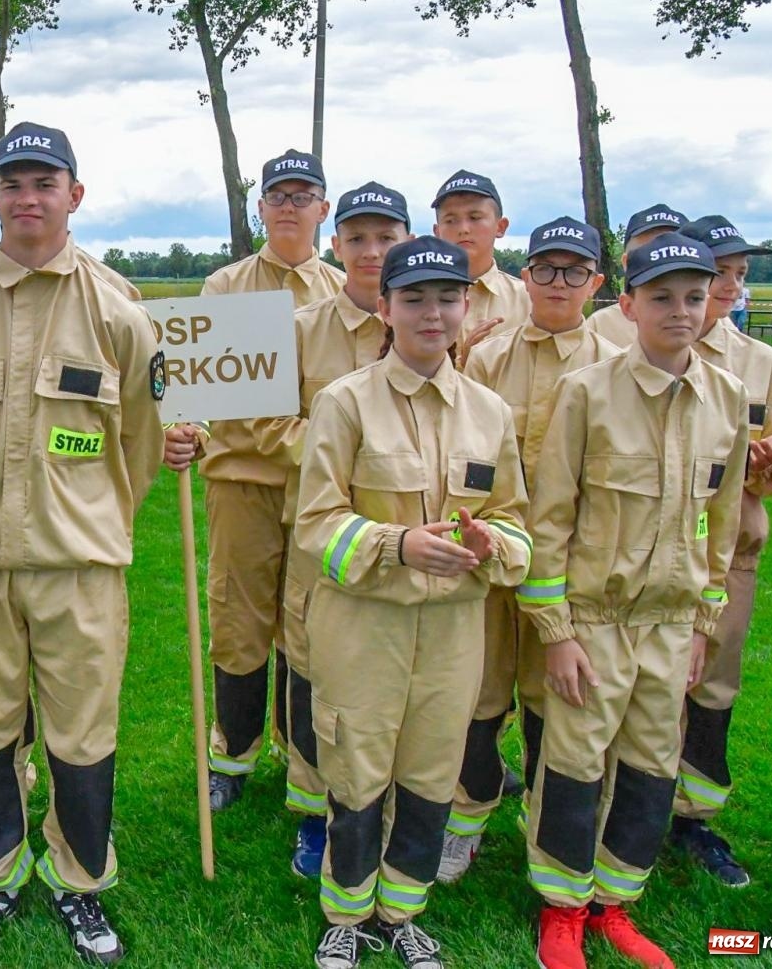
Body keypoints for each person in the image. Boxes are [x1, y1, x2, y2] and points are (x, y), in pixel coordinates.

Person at [0, 122, 163, 964]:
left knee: (82, 733)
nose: (29, 198)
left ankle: (78, 881)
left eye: (45, 183)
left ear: (75, 194)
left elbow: (137, 442)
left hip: (80, 564)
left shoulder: (119, 313)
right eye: (13, 183)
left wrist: (93, 523)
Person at [293, 236, 530, 969]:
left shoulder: (491, 412)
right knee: (357, 769)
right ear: (387, 308)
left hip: (454, 632)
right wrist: (397, 544)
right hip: (363, 627)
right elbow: (314, 523)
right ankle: (347, 910)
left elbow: (517, 519)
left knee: (431, 774)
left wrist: (494, 544)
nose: (433, 313)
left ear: (467, 306)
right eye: (415, 298)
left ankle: (402, 911)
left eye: (447, 297)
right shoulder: (344, 402)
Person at [521, 233, 748, 969]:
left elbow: (723, 522)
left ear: (714, 299)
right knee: (576, 765)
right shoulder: (587, 393)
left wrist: (703, 627)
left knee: (653, 766)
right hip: (595, 621)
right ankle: (561, 908)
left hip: (672, 623)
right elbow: (549, 519)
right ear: (627, 305)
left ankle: (615, 905)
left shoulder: (725, 401)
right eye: (661, 297)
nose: (680, 312)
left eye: (694, 295)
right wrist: (556, 632)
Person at [439, 217, 621, 884]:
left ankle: (549, 826)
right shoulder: (488, 355)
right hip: (491, 556)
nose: (557, 283)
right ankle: (465, 821)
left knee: (557, 700)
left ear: (597, 283)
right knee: (479, 697)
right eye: (544, 268)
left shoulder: (613, 367)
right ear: (525, 276)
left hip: (574, 565)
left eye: (574, 271)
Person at [237, 180, 411, 879]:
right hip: (323, 535)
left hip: (408, 535)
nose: (371, 252)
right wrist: (351, 447)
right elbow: (262, 422)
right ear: (335, 245)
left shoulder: (429, 324)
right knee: (313, 668)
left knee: (395, 673)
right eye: (358, 238)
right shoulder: (298, 328)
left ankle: (390, 804)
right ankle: (314, 812)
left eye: (386, 238)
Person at [183, 148, 345, 823]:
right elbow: (219, 396)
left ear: (322, 209)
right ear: (260, 206)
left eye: (302, 195)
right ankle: (233, 758)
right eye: (277, 194)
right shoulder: (226, 288)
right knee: (240, 622)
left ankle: (302, 758)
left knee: (311, 627)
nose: (288, 205)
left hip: (318, 492)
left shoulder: (346, 292)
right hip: (243, 481)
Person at [666, 215, 772, 885]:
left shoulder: (762, 363)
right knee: (647, 679)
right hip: (653, 547)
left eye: (741, 276)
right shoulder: (646, 348)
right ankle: (632, 802)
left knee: (713, 681)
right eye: (722, 272)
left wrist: (769, 464)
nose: (731, 286)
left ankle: (693, 817)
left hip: (730, 551)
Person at [428, 170, 529, 357]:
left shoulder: (528, 300)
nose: (463, 229)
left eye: (475, 218)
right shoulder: (416, 299)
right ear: (437, 231)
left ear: (501, 226)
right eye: (450, 220)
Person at [584, 204, 686, 349]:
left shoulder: (714, 327)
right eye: (649, 253)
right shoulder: (601, 325)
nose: (662, 260)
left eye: (674, 251)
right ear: (626, 263)